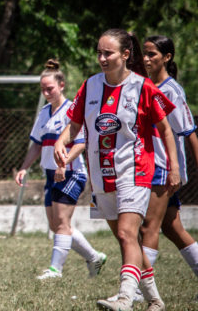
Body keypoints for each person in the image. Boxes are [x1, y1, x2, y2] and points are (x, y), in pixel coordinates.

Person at [54, 29, 179, 311]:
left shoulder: (143, 87)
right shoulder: (90, 86)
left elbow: (166, 130)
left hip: (135, 170)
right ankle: (155, 300)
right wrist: (62, 141)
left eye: (107, 53)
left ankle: (125, 298)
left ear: (125, 55)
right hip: (101, 174)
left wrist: (173, 167)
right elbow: (75, 124)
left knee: (126, 233)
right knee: (127, 239)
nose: (101, 58)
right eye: (98, 52)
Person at [14, 59, 106, 280]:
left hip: (71, 172)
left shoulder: (72, 110)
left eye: (50, 88)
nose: (46, 93)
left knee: (62, 224)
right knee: (57, 226)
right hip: (49, 173)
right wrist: (24, 168)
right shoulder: (45, 112)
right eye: (43, 89)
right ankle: (94, 257)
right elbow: (37, 143)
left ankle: (56, 270)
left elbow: (81, 142)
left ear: (62, 85)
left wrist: (63, 164)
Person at [139, 35, 198, 298]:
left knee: (147, 227)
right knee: (172, 228)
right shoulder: (144, 86)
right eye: (144, 53)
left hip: (164, 167)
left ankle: (138, 291)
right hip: (151, 165)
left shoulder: (171, 90)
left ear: (167, 57)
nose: (146, 59)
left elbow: (190, 132)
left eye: (152, 54)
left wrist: (178, 169)